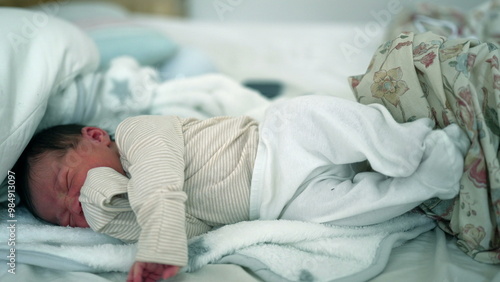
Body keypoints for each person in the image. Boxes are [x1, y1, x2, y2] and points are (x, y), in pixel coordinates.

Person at [14, 95, 469, 282]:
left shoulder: (137, 134)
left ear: (96, 136)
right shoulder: (127, 216)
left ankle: (406, 147)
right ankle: (422, 183)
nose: (76, 207)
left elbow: (161, 182)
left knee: (313, 115)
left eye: (68, 184)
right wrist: (101, 205)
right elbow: (171, 221)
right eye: (65, 217)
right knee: (333, 215)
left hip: (276, 146)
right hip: (277, 203)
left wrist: (157, 241)